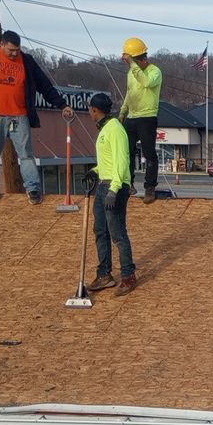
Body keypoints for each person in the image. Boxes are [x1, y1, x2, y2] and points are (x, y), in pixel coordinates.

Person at [0, 30, 73, 204]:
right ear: (2, 44)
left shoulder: (27, 61)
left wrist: (62, 105)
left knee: (26, 153)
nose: (14, 54)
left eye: (17, 50)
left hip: (19, 117)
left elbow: (45, 85)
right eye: (11, 50)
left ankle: (33, 188)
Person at [84, 93, 137, 297]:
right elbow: (108, 162)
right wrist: (95, 171)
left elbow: (122, 161)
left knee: (117, 232)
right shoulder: (105, 129)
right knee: (100, 230)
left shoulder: (115, 129)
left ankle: (128, 275)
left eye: (90, 109)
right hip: (103, 184)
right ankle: (104, 274)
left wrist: (114, 189)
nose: (89, 113)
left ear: (94, 110)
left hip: (115, 187)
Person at [118, 37, 163, 205]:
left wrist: (133, 65)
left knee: (149, 153)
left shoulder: (154, 72)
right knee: (126, 151)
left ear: (140, 58)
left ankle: (150, 188)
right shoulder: (131, 73)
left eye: (131, 61)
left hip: (147, 117)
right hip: (132, 116)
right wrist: (123, 111)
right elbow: (130, 93)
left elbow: (146, 82)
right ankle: (128, 183)